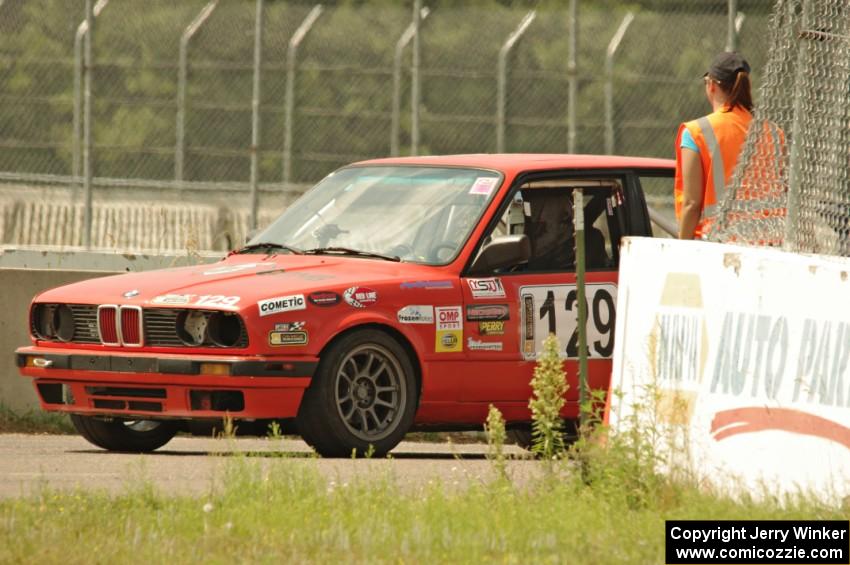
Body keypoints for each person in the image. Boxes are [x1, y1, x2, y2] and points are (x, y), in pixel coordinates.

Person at [675, 52, 754, 240]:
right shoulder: (773, 132)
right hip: (769, 243)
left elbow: (692, 204)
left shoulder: (697, 132)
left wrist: (680, 250)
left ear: (711, 86)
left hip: (721, 244)